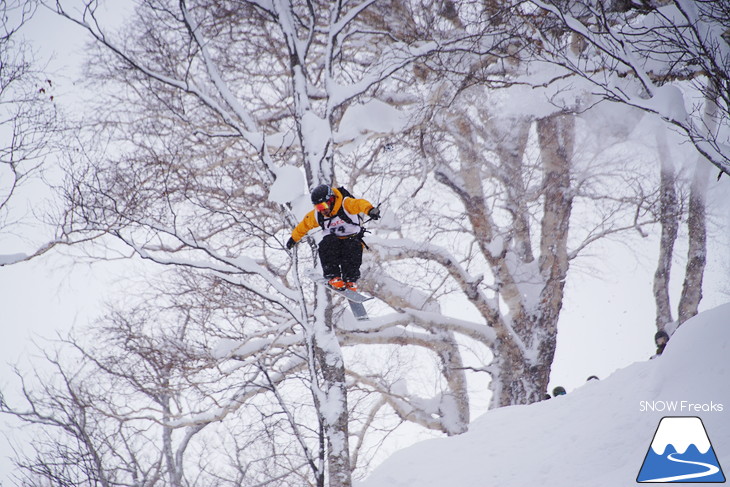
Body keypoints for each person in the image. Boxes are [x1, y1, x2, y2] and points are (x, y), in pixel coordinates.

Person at [286, 184, 380, 292]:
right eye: (318, 207)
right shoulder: (318, 215)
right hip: (334, 246)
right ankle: (333, 276)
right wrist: (293, 239)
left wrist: (370, 210)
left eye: (323, 206)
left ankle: (350, 280)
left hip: (351, 241)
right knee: (327, 242)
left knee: (353, 247)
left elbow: (359, 204)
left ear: (331, 200)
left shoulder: (345, 204)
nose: (322, 210)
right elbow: (304, 225)